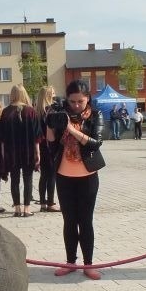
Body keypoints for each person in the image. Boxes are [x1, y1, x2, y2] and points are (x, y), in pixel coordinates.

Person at [46, 79, 105, 280]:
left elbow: (96, 143)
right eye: (72, 101)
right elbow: (51, 145)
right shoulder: (61, 115)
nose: (77, 105)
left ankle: (88, 264)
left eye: (80, 101)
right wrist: (50, 124)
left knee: (85, 221)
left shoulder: (95, 115)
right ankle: (71, 262)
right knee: (69, 221)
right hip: (64, 176)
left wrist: (72, 130)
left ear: (87, 98)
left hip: (87, 176)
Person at [0, 85, 41, 217]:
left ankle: (17, 208)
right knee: (28, 179)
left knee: (14, 179)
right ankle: (27, 209)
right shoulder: (31, 111)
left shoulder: (6, 112)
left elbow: (2, 137)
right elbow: (37, 136)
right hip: (28, 150)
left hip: (12, 151)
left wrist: (3, 153)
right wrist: (38, 153)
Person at [35, 86, 61, 212]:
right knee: (51, 175)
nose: (55, 96)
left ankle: (42, 203)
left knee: (44, 176)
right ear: (49, 96)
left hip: (40, 146)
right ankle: (50, 203)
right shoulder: (51, 111)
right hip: (50, 146)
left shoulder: (37, 112)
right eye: (53, 93)